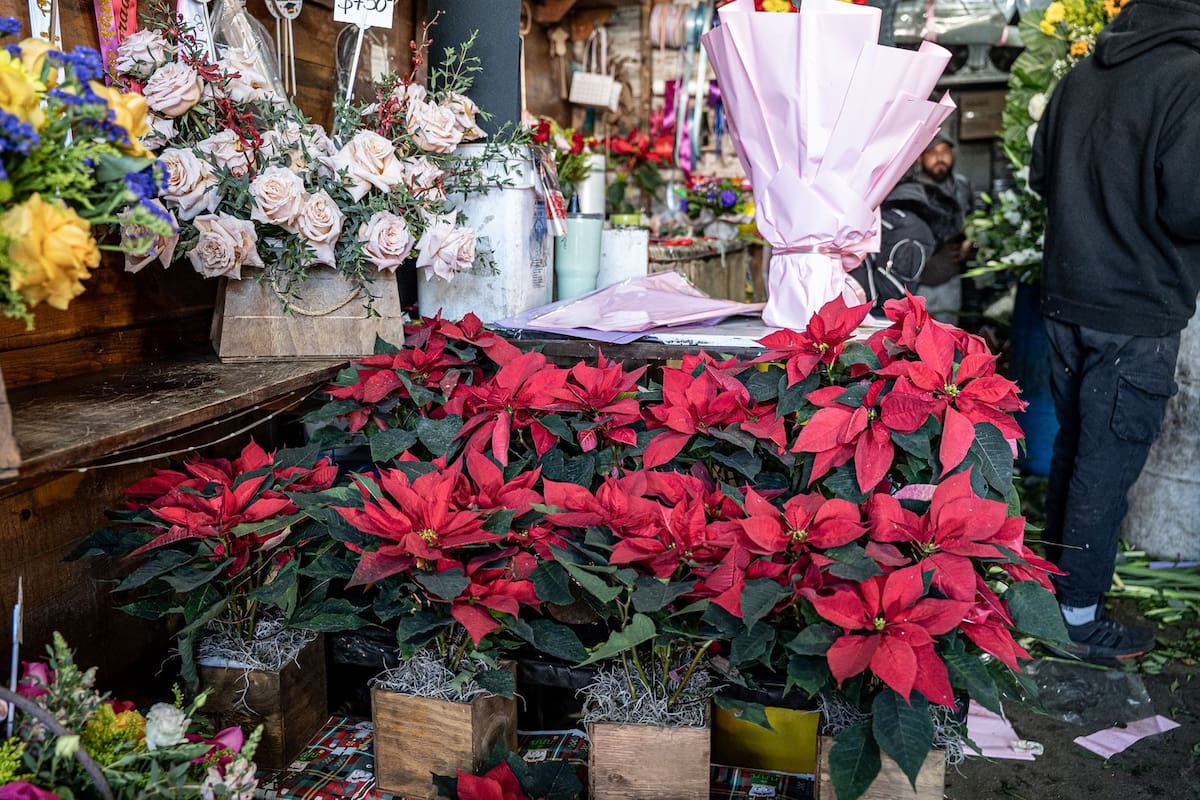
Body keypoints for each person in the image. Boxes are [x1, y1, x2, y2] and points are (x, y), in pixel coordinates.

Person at [1029, 0, 1200, 660]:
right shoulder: (1188, 75)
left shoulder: (1083, 73)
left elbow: (1043, 173)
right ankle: (1076, 619)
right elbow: (1188, 207)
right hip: (1135, 306)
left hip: (1069, 294)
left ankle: (1053, 594)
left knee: (1077, 445)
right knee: (1106, 462)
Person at [910, 132, 975, 323]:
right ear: (921, 157)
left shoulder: (962, 186)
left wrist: (969, 241)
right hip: (917, 280)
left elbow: (974, 219)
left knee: (948, 336)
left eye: (945, 151)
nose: (940, 158)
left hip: (950, 276)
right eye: (933, 152)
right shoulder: (910, 189)